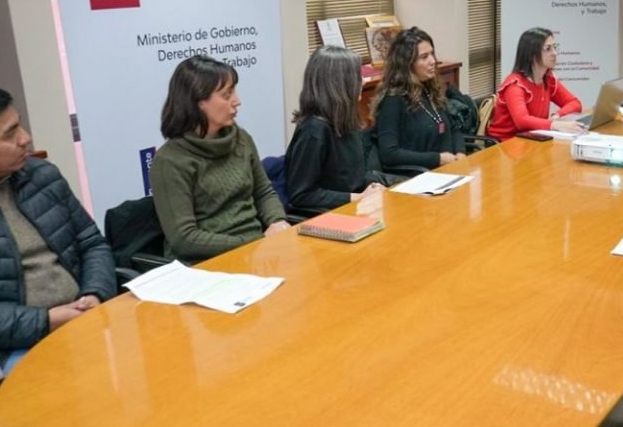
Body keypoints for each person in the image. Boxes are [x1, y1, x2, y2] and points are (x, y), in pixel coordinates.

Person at [0, 82, 117, 419]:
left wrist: (95, 293)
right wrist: (45, 321)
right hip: (14, 344)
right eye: (10, 134)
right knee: (70, 418)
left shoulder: (42, 176)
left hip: (85, 318)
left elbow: (92, 243)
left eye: (20, 125)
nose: (26, 138)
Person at [150, 56, 288, 262]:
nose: (237, 101)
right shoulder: (169, 161)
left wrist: (278, 222)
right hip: (206, 262)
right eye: (226, 95)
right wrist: (254, 243)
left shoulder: (241, 139)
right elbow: (184, 239)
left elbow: (263, 192)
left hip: (256, 250)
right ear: (198, 103)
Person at [285, 46, 387, 216]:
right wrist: (357, 197)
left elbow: (353, 178)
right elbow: (301, 195)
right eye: (357, 77)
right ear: (338, 84)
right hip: (326, 218)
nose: (363, 82)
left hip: (353, 211)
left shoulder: (346, 121)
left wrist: (376, 185)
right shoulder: (314, 131)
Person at [371, 27, 465, 168]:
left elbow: (453, 128)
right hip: (419, 175)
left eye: (432, 54)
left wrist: (460, 152)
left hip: (450, 169)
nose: (432, 61)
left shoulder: (430, 89)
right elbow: (389, 153)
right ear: (407, 64)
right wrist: (437, 159)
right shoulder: (393, 99)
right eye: (424, 57)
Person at [486, 27, 587, 142]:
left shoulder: (548, 79)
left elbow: (575, 103)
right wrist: (555, 124)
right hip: (504, 144)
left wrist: (557, 115)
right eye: (548, 49)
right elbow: (522, 121)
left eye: (555, 47)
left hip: (531, 139)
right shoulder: (515, 85)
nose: (555, 53)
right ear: (532, 54)